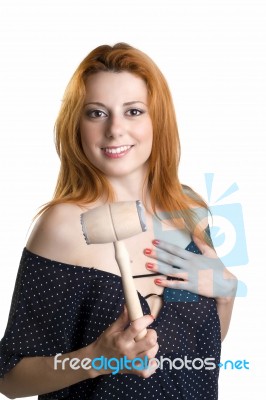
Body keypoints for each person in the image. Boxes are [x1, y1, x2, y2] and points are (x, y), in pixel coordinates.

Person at [0, 43, 237, 399]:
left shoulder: (188, 209)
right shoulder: (64, 226)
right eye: (96, 113)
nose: (115, 129)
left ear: (157, 119)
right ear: (76, 125)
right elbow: (9, 378)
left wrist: (227, 296)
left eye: (133, 111)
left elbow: (198, 352)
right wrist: (98, 358)